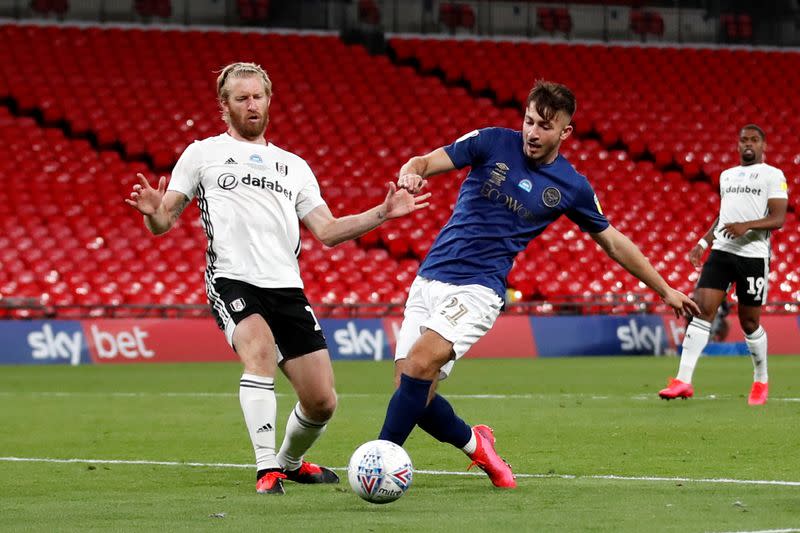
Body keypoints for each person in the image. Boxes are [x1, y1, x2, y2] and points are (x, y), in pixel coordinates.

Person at [124, 62, 430, 495]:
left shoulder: (293, 166)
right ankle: (265, 468)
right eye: (242, 98)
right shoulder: (202, 153)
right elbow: (165, 220)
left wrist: (383, 213)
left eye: (258, 96)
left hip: (286, 286)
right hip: (232, 278)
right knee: (260, 352)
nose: (252, 105)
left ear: (269, 100)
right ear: (224, 106)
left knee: (322, 401)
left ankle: (289, 462)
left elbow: (326, 230)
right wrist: (155, 211)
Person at [377, 80, 700, 488]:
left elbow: (614, 243)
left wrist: (665, 289)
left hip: (479, 289)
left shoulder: (572, 186)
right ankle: (479, 447)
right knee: (412, 394)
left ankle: (378, 463)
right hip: (429, 278)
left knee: (420, 364)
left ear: (565, 131)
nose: (532, 132)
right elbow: (422, 161)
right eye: (529, 121)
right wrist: (410, 174)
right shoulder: (491, 141)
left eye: (545, 126)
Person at [659, 124, 788, 405]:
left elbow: (778, 218)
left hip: (753, 257)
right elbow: (724, 215)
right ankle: (683, 380)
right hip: (722, 252)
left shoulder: (773, 175)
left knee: (750, 322)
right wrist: (704, 243)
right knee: (702, 310)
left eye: (754, 140)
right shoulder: (726, 176)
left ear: (764, 146)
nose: (748, 144)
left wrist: (747, 226)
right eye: (744, 140)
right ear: (738, 144)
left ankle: (761, 379)